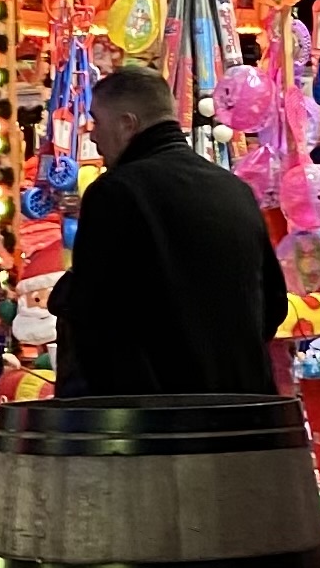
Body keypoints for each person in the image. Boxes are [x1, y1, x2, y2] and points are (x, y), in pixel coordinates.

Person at [51, 63, 288, 396]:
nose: (92, 134)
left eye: (97, 121)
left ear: (127, 125)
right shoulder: (236, 189)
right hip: (245, 410)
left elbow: (94, 314)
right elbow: (274, 304)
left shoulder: (115, 193)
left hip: (159, 422)